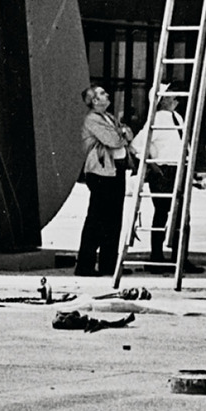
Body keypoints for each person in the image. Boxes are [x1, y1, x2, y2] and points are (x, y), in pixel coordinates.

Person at [75, 85, 132, 276]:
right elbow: (114, 139)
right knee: (97, 219)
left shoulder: (109, 117)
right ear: (94, 101)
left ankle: (109, 263)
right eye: (101, 94)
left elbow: (126, 134)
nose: (106, 95)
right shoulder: (92, 119)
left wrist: (122, 134)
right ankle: (85, 264)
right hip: (101, 173)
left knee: (113, 220)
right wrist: (122, 133)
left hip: (114, 171)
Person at [140, 89, 185, 262]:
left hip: (179, 168)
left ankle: (178, 257)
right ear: (161, 100)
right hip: (164, 170)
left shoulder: (178, 118)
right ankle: (156, 256)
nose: (175, 98)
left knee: (181, 215)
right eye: (170, 96)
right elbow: (140, 144)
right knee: (162, 212)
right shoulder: (157, 118)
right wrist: (153, 163)